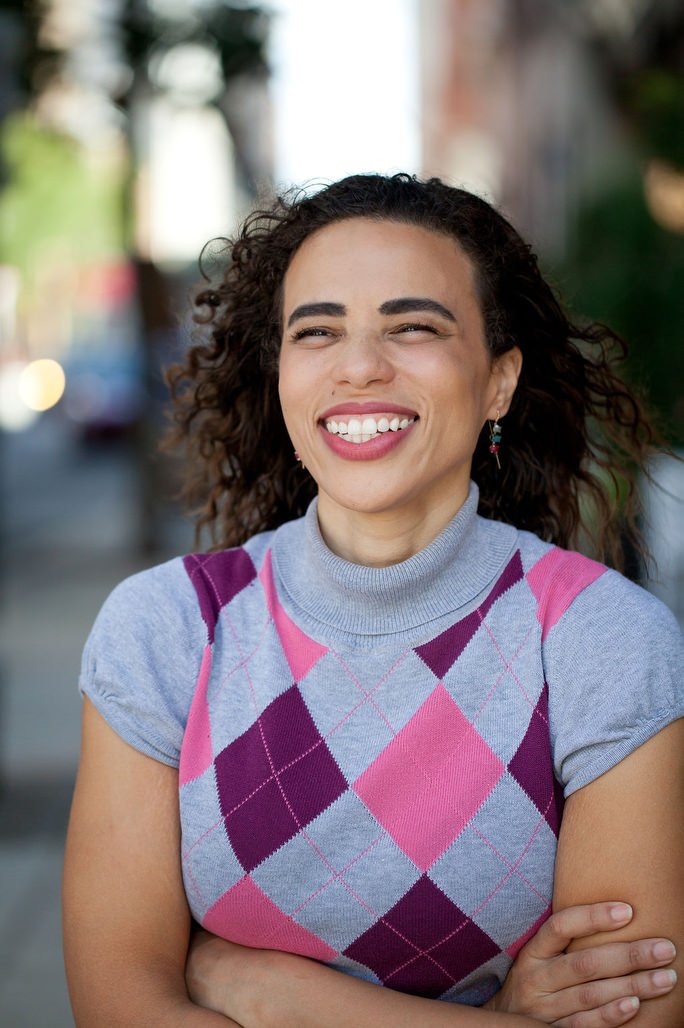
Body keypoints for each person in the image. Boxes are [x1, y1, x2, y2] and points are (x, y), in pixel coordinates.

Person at [63, 173, 684, 1026]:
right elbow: (119, 1012)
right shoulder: (166, 631)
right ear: (282, 372)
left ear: (498, 380)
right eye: (317, 332)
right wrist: (499, 1016)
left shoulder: (602, 641)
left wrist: (273, 994)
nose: (359, 365)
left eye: (413, 326)